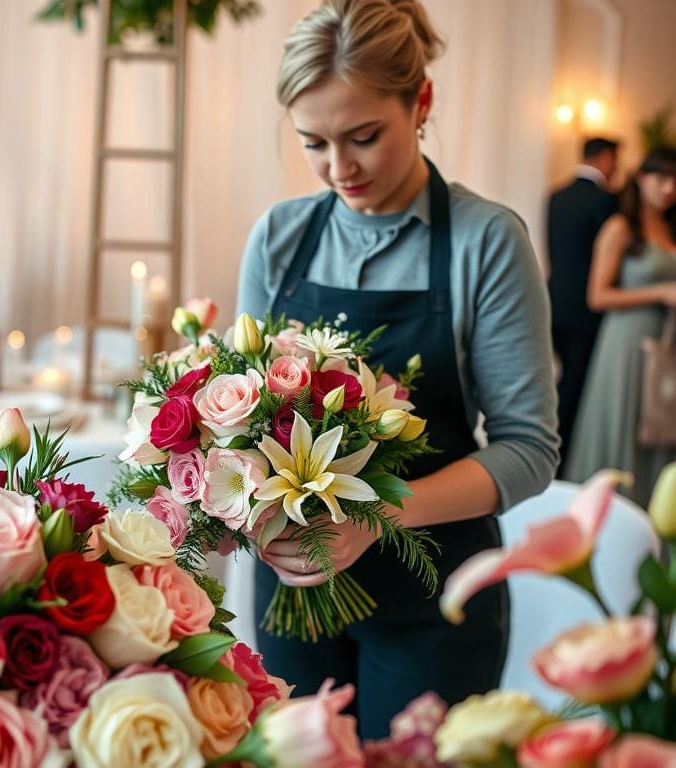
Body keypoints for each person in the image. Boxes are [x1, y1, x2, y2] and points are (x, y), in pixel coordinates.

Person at [236, 0, 558, 738]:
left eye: (364, 137)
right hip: (292, 597)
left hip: (435, 606)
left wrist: (374, 517)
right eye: (313, 142)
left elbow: (528, 452)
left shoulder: (487, 241)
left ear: (422, 103)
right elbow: (241, 428)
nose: (338, 168)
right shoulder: (279, 237)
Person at [565, 147, 676, 507]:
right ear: (642, 179)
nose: (669, 188)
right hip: (627, 341)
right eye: (661, 178)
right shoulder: (620, 227)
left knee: (660, 427)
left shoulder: (669, 228)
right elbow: (597, 296)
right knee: (624, 425)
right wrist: (659, 292)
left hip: (666, 341)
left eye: (675, 181)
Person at [547, 137, 619, 476]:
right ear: (606, 158)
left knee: (565, 384)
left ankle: (552, 452)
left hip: (554, 305)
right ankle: (562, 460)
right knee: (578, 389)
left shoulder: (556, 196)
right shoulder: (606, 201)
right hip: (588, 312)